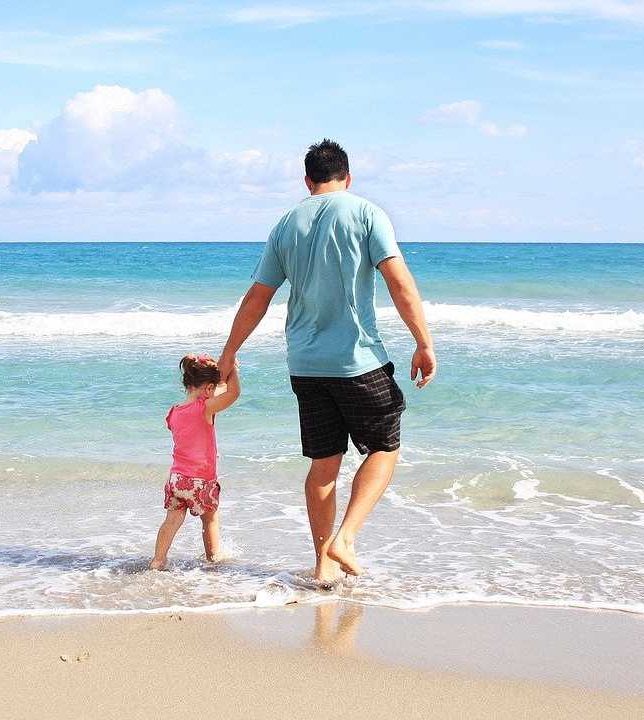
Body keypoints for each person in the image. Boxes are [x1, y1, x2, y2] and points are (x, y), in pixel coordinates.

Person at [217, 139, 436, 582]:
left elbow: (259, 296)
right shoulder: (366, 213)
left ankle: (322, 568)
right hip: (356, 360)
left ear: (307, 180)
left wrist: (230, 351)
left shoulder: (285, 224)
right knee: (385, 448)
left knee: (323, 464)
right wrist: (423, 342)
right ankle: (346, 539)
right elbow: (398, 282)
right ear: (348, 177)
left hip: (305, 364)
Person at [149, 354, 241, 570]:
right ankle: (213, 559)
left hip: (176, 480)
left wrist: (216, 379)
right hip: (201, 481)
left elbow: (211, 393)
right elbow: (233, 393)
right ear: (208, 389)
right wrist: (232, 369)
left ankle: (158, 560)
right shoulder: (205, 409)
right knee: (209, 519)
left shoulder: (173, 413)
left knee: (172, 520)